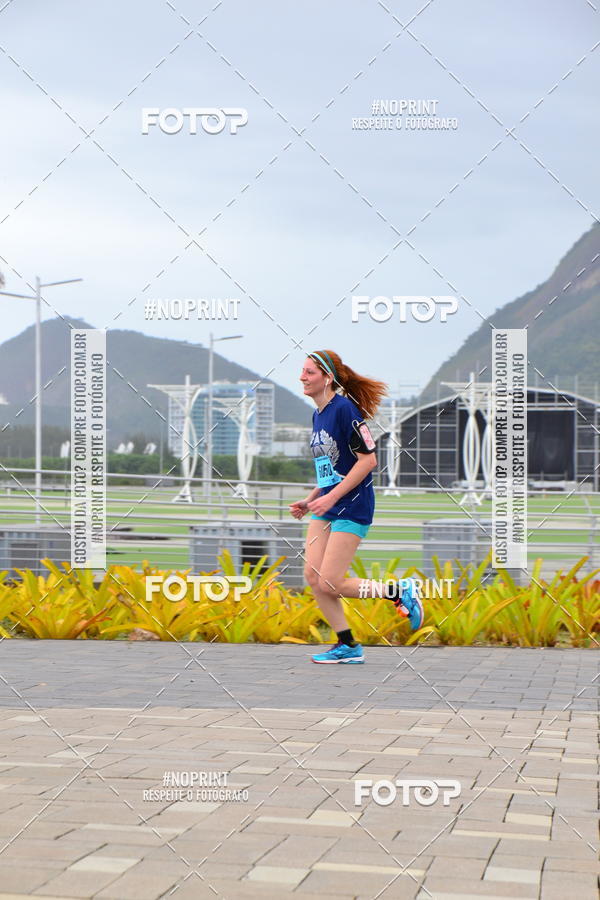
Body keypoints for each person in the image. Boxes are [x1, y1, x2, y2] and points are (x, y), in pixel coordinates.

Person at [289, 350, 424, 665]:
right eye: (302, 371)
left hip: (352, 504)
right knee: (313, 576)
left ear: (327, 377)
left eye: (309, 372)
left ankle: (398, 590)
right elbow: (328, 469)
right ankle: (347, 645)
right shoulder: (318, 415)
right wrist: (311, 501)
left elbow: (369, 461)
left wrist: (332, 497)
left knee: (332, 582)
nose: (302, 378)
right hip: (327, 503)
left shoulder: (345, 409)